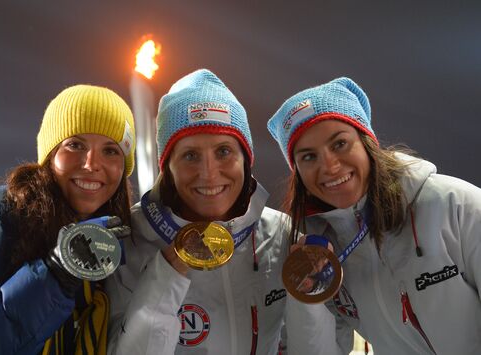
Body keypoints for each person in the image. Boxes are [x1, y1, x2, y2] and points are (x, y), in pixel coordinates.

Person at [267, 77, 481, 354]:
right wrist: (308, 296)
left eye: (340, 144)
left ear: (367, 143)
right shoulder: (318, 247)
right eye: (309, 157)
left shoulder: (455, 204)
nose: (329, 166)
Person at [0, 84, 136, 355]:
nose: (91, 163)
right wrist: (54, 274)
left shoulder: (123, 238)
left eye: (110, 150)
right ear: (50, 156)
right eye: (75, 144)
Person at [106, 69, 291, 354]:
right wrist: (167, 273)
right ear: (167, 168)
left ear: (246, 159)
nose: (208, 173)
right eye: (190, 155)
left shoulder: (282, 233)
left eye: (224, 152)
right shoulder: (129, 241)